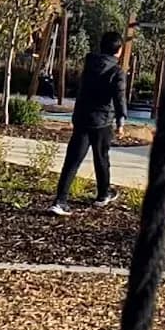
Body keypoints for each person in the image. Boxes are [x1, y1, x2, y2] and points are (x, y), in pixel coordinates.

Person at [50, 30, 127, 215]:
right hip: (102, 120)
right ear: (119, 50)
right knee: (101, 159)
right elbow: (119, 97)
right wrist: (121, 121)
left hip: (82, 118)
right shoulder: (117, 72)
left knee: (72, 160)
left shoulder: (89, 65)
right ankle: (103, 194)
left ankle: (60, 201)